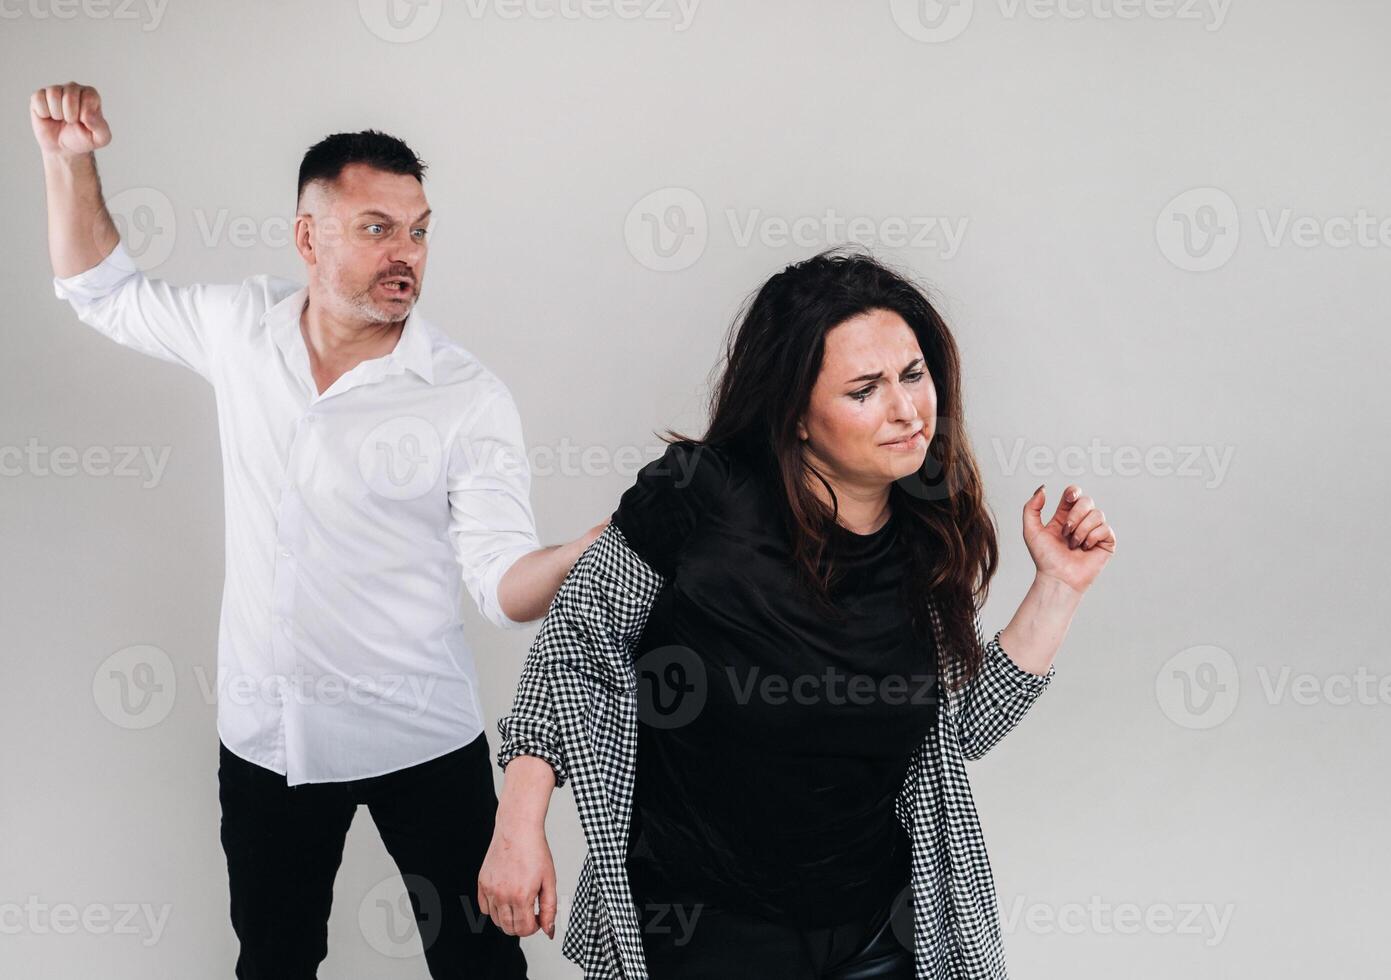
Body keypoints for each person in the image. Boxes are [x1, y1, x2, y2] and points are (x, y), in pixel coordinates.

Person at [31, 81, 604, 979]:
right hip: (270, 740)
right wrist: (70, 160)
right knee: (275, 961)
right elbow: (99, 290)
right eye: (377, 228)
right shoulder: (238, 330)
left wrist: (591, 548)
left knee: (483, 968)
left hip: (422, 736)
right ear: (309, 238)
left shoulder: (467, 396)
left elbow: (502, 588)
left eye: (417, 229)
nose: (405, 252)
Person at [479, 249, 1118, 978]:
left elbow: (960, 727)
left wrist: (1058, 587)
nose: (907, 410)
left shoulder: (922, 532)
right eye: (864, 390)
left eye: (913, 375)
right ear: (797, 416)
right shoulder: (698, 497)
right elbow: (576, 646)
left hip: (878, 929)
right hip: (706, 929)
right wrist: (518, 824)